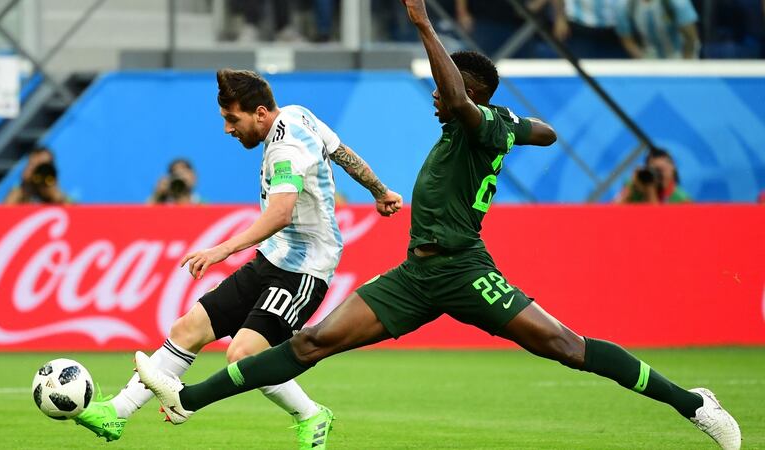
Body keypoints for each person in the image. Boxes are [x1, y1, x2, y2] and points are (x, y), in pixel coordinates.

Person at [136, 1, 741, 449]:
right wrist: (514, 123)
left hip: (465, 271)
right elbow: (547, 132)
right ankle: (187, 400)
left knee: (566, 347)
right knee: (310, 344)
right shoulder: (484, 124)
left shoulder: (471, 120)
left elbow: (460, 101)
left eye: (447, 87)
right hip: (415, 277)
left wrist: (426, 26)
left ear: (467, 94)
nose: (435, 95)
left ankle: (694, 405)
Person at [74, 68, 402, 449]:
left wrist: (220, 250)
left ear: (260, 113)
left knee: (244, 354)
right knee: (187, 329)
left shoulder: (286, 150)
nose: (228, 130)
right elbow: (343, 153)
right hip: (273, 258)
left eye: (233, 119)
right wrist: (380, 191)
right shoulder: (299, 114)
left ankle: (310, 414)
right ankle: (117, 413)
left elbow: (280, 213)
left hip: (304, 270)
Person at [614, 0, 700, 59]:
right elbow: (627, 41)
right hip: (649, 57)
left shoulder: (678, 3)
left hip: (681, 54)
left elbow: (691, 38)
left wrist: (685, 65)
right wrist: (644, 62)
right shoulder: (624, 5)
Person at [615, 147, 691, 204]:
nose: (660, 175)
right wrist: (632, 187)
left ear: (673, 169)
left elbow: (657, 222)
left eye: (662, 170)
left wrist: (650, 191)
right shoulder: (636, 186)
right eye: (656, 171)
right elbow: (611, 212)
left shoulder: (681, 200)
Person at [4, 147, 70, 205]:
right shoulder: (20, 192)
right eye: (34, 165)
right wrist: (24, 188)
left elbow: (75, 214)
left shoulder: (54, 191)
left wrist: (56, 196)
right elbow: (5, 212)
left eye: (44, 166)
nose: (41, 171)